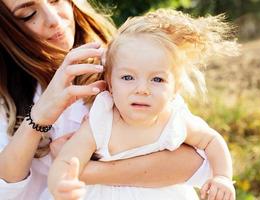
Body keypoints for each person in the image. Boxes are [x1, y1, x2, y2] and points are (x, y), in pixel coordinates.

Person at [0, 1, 211, 200]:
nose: (53, 18)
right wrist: (39, 116)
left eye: (56, 0)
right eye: (28, 15)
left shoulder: (128, 61)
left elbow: (197, 161)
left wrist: (86, 170)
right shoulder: (6, 98)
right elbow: (5, 190)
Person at [48, 9, 239, 200]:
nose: (142, 89)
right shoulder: (102, 120)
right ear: (110, 83)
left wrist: (222, 177)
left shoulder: (174, 120)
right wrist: (61, 184)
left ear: (175, 88)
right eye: (128, 77)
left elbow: (212, 140)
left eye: (157, 79)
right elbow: (66, 160)